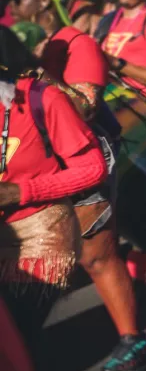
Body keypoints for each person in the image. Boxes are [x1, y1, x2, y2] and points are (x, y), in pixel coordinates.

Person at [8, 0, 146, 371]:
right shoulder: (27, 37)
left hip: (83, 161)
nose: (12, 4)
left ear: (45, 3)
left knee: (97, 256)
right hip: (40, 165)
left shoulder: (77, 44)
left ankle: (133, 336)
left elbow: (86, 107)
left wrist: (34, 68)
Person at [0, 26, 108, 350]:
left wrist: (23, 192)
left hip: (39, 237)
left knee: (17, 343)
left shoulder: (42, 97)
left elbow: (93, 169)